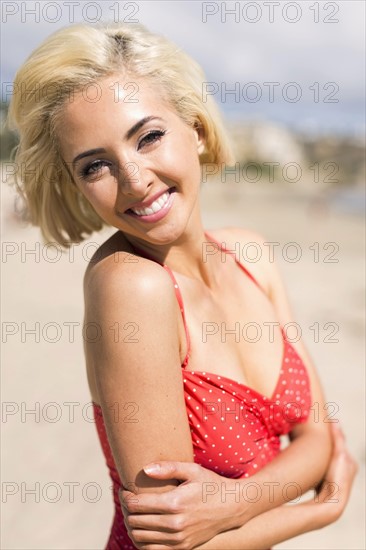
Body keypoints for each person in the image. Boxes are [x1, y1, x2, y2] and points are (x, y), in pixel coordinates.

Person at [8, 22, 357, 550]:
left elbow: (318, 438)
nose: (134, 179)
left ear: (194, 127)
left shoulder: (250, 254)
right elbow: (169, 543)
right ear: (75, 183)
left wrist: (232, 504)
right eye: (96, 165)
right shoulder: (132, 287)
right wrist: (321, 509)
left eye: (148, 137)